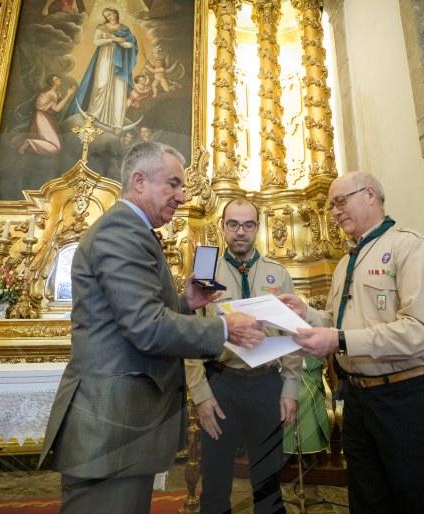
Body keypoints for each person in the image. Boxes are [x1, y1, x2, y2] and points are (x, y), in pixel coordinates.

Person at [39, 142, 266, 514]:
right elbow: (146, 327)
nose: (183, 195)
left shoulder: (132, 230)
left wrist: (184, 304)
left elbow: (131, 316)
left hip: (120, 427)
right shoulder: (122, 232)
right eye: (173, 184)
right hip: (111, 427)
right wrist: (225, 329)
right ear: (139, 180)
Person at [279, 171, 424, 513]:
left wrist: (339, 339)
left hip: (411, 397)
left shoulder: (411, 246)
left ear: (370, 194)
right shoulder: (345, 263)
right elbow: (342, 323)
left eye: (341, 201)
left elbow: (421, 331)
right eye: (331, 206)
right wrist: (308, 314)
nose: (335, 212)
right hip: (360, 399)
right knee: (370, 500)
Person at [185, 198, 301, 514]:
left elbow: (293, 335)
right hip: (222, 384)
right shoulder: (205, 272)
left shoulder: (278, 274)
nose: (240, 232)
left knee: (268, 485)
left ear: (257, 228)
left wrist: (290, 389)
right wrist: (201, 394)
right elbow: (190, 338)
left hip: (266, 385)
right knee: (216, 484)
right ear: (222, 227)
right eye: (233, 224)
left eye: (248, 225)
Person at [67, 8, 137, 129]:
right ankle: (94, 113)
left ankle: (116, 123)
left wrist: (121, 42)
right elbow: (96, 42)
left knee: (119, 89)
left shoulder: (125, 29)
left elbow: (130, 45)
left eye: (110, 14)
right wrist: (113, 39)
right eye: (106, 16)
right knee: (101, 84)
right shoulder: (101, 27)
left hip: (119, 62)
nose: (109, 17)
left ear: (116, 13)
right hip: (104, 57)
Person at [282, 355, 329, 466]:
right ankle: (285, 449)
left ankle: (307, 452)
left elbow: (320, 352)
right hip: (285, 373)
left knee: (303, 396)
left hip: (308, 375)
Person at [18, 75, 76, 155]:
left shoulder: (55, 93)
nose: (59, 79)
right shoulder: (49, 94)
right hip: (42, 118)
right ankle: (29, 142)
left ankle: (32, 144)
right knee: (56, 148)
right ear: (53, 83)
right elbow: (56, 109)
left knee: (56, 146)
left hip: (47, 117)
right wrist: (68, 95)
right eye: (56, 79)